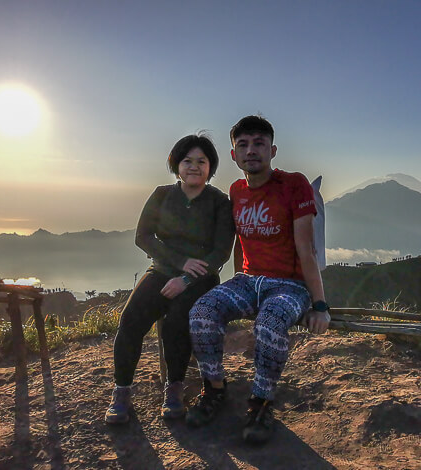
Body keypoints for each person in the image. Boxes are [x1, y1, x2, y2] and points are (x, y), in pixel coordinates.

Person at [186, 115, 330, 443]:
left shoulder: (294, 185)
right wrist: (237, 277)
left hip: (289, 285)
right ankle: (215, 391)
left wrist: (319, 304)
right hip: (248, 281)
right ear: (234, 154)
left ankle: (261, 403)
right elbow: (240, 241)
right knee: (202, 312)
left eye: (259, 143)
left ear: (273, 150)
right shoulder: (236, 190)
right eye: (243, 145)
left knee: (270, 321)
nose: (251, 150)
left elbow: (305, 248)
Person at [105, 133, 235, 424]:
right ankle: (122, 390)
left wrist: (186, 279)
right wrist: (179, 263)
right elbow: (143, 236)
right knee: (131, 320)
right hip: (161, 270)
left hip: (201, 278)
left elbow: (221, 253)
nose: (194, 166)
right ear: (176, 164)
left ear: (211, 168)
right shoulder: (162, 195)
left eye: (202, 161)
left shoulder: (219, 202)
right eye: (187, 160)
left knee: (177, 320)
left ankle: (174, 387)